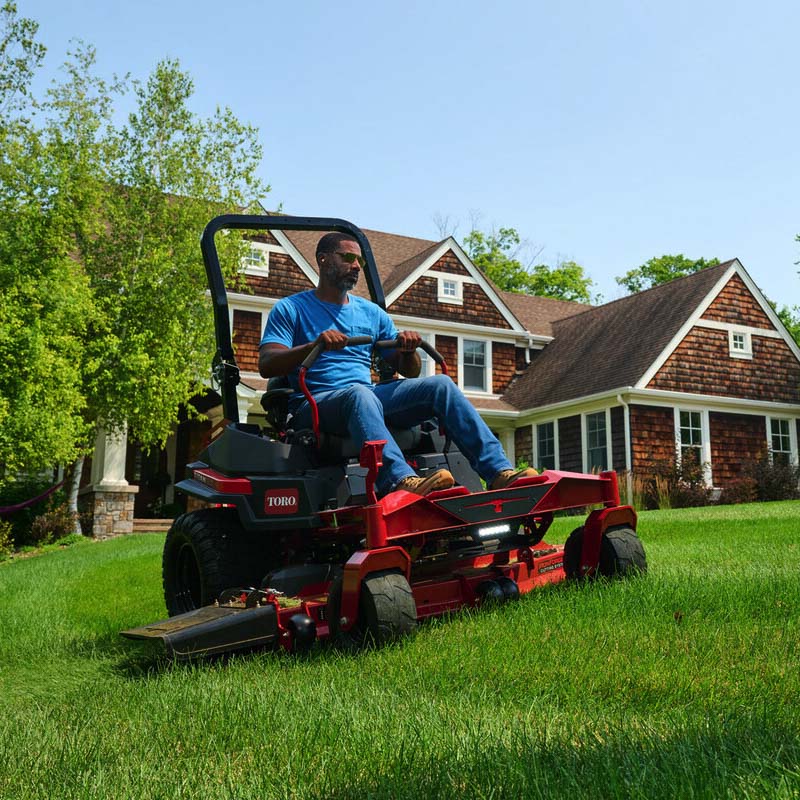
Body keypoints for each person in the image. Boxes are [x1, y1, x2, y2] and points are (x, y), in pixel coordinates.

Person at [258, 232, 537, 497]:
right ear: (323, 259)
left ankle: (499, 472)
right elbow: (267, 364)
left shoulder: (371, 313)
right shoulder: (291, 309)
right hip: (316, 404)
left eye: (360, 261)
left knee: (440, 384)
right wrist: (313, 345)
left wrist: (407, 350)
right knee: (360, 394)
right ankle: (399, 480)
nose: (356, 266)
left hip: (366, 398)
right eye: (347, 258)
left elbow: (411, 370)